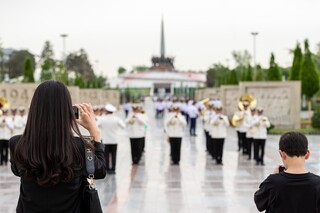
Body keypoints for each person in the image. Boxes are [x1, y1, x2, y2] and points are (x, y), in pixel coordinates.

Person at [9, 80, 106, 213]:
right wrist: (95, 132)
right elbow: (99, 171)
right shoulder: (80, 146)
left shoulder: (16, 143)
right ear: (67, 111)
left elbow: (16, 171)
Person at [254, 131, 320, 213]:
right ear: (307, 154)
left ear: (282, 154)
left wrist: (273, 176)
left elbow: (259, 203)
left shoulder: (273, 182)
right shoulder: (318, 183)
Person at [99, 104, 125, 174]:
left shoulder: (102, 119)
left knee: (106, 156)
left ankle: (107, 168)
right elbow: (123, 126)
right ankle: (113, 169)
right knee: (114, 155)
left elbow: (97, 125)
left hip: (106, 140)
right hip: (114, 140)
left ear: (106, 111)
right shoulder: (117, 119)